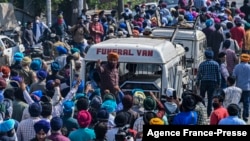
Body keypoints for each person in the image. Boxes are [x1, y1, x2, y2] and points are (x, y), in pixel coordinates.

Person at [196, 50, 221, 117]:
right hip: (213, 82)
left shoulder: (202, 64)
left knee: (202, 97)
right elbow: (218, 75)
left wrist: (197, 83)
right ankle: (208, 112)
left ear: (205, 56)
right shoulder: (216, 64)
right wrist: (219, 83)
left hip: (204, 82)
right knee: (210, 98)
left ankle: (202, 110)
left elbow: (198, 75)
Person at [232, 53, 250, 122]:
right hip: (247, 88)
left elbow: (234, 76)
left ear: (241, 59)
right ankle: (245, 117)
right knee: (247, 103)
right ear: (248, 60)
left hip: (238, 87)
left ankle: (238, 115)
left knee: (238, 102)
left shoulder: (237, 67)